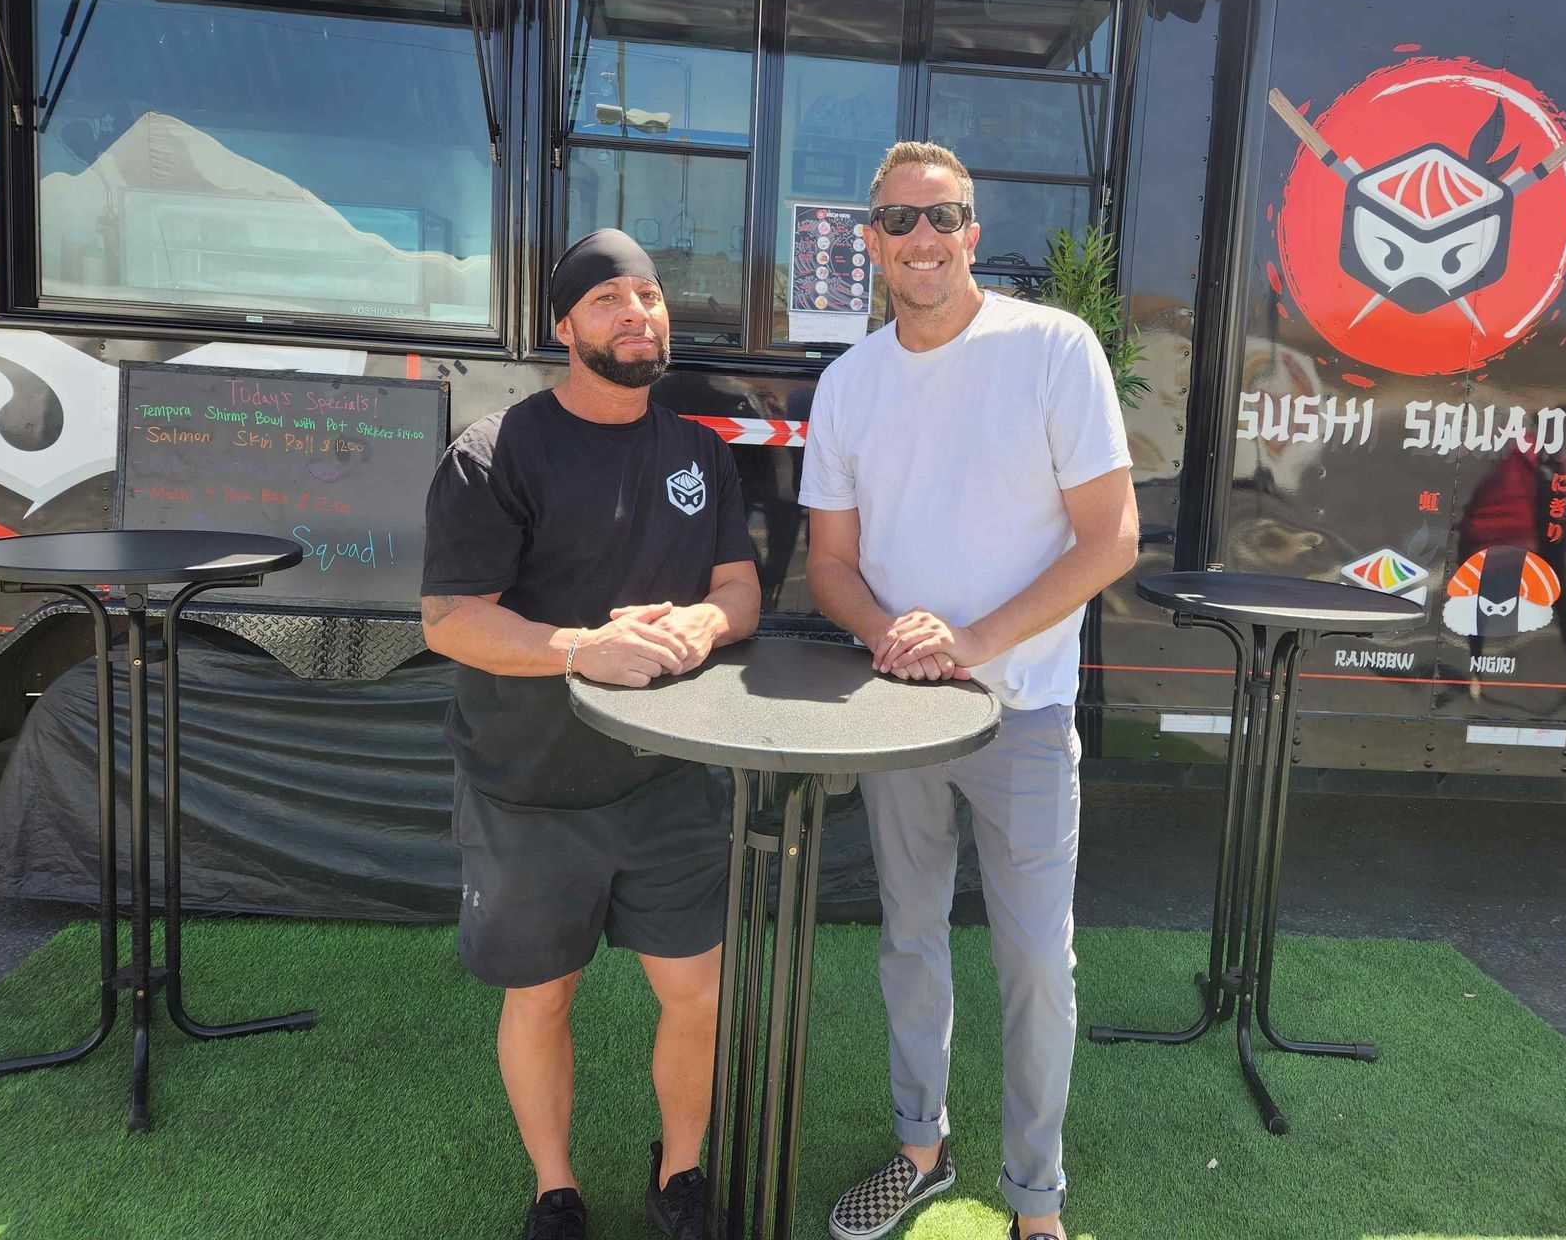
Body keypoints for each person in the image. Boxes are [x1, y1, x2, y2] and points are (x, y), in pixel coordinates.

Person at [800, 142, 1139, 1240]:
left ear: (974, 232)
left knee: (1038, 960)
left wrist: (975, 641)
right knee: (909, 937)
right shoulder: (848, 385)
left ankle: (1036, 1204)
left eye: (940, 217)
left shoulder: (1052, 348)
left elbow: (1110, 541)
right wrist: (887, 634)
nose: (921, 240)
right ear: (870, 242)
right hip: (903, 717)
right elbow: (832, 566)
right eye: (897, 221)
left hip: (1025, 715)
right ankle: (921, 1149)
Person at [420, 229, 760, 1240]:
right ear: (565, 327)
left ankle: (682, 1172)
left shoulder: (699, 452)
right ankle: (555, 1188)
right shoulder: (494, 454)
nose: (637, 313)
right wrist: (581, 649)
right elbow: (450, 621)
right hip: (528, 786)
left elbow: (739, 587)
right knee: (542, 997)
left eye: (650, 295)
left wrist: (709, 620)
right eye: (609, 298)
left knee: (695, 993)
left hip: (669, 784)